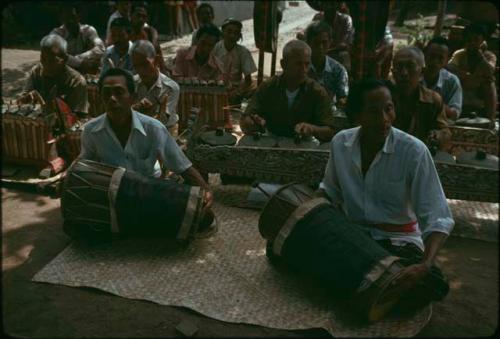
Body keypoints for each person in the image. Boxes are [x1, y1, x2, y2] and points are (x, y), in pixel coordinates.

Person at [319, 78, 453, 312]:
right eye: (373, 111)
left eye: (388, 109)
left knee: (430, 283)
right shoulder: (341, 143)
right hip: (353, 237)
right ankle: (371, 289)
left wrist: (425, 265)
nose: (383, 119)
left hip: (398, 243)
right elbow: (329, 191)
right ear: (357, 115)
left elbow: (437, 217)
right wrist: (307, 214)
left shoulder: (414, 151)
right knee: (289, 247)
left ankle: (362, 286)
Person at [79, 67, 212, 208]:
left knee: (201, 217)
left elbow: (182, 166)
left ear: (133, 98)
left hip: (148, 193)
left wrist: (206, 190)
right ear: (101, 98)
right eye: (106, 94)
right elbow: (84, 164)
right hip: (112, 194)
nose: (112, 99)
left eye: (119, 92)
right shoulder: (91, 130)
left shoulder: (153, 128)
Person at [240, 40, 335, 142]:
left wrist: (312, 129)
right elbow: (246, 120)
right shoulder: (268, 87)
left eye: (307, 64)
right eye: (298, 64)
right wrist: (252, 123)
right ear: (283, 64)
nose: (303, 69)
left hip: (304, 143)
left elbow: (329, 131)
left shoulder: (317, 92)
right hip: (270, 140)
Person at [391, 46, 451, 147]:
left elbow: (444, 131)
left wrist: (438, 135)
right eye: (399, 67)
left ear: (422, 72)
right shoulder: (384, 98)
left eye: (410, 66)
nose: (404, 73)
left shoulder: (433, 100)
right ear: (393, 72)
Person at [18, 34, 88, 116]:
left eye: (51, 61)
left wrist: (45, 105)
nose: (46, 65)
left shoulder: (76, 81)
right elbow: (21, 100)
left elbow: (77, 118)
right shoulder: (36, 71)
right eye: (43, 59)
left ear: (63, 60)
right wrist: (25, 99)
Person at [447, 23, 497, 127]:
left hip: (479, 92)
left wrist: (480, 57)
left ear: (482, 41)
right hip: (463, 88)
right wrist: (467, 76)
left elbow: (490, 71)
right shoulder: (460, 54)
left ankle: (490, 120)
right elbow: (450, 68)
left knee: (489, 83)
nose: (472, 43)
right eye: (469, 40)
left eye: (476, 40)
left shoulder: (489, 56)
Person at [130, 40, 180, 137]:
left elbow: (163, 121)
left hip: (165, 132)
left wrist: (151, 114)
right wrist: (136, 108)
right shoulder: (132, 83)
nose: (141, 70)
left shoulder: (170, 87)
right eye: (136, 66)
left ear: (156, 61)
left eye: (145, 64)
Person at [212, 18, 257, 106]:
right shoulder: (215, 48)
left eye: (236, 33)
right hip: (216, 88)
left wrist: (236, 92)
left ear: (239, 36)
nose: (232, 35)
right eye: (229, 31)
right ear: (222, 33)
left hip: (235, 91)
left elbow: (248, 80)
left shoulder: (243, 52)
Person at [50, 3, 105, 75]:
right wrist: (80, 63)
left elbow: (100, 48)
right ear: (61, 19)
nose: (70, 21)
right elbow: (59, 56)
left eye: (73, 17)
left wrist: (77, 59)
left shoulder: (88, 30)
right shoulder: (56, 34)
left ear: (79, 16)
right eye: (67, 18)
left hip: (87, 71)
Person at [304, 20, 348, 108]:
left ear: (330, 42)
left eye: (324, 43)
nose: (320, 47)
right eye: (316, 43)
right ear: (308, 43)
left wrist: (341, 102)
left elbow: (343, 97)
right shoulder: (301, 67)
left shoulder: (338, 70)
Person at [422, 37, 463, 120]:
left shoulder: (452, 81)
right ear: (425, 54)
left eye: (440, 58)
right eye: (432, 56)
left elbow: (454, 114)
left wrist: (434, 101)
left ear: (447, 60)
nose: (435, 61)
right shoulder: (412, 75)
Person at [128, 2, 169, 75]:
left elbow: (159, 59)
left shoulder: (149, 34)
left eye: (144, 17)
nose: (141, 19)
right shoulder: (125, 34)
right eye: (138, 15)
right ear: (130, 15)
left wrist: (164, 72)